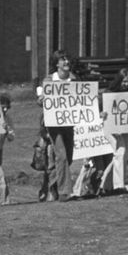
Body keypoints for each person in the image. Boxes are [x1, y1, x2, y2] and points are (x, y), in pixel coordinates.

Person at [36, 51, 76, 201]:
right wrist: (42, 99)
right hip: (53, 124)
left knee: (69, 157)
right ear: (56, 63)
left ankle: (53, 183)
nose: (66, 61)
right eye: (62, 59)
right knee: (62, 156)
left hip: (69, 123)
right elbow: (40, 101)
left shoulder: (74, 80)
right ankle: (64, 192)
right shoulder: (49, 80)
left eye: (67, 59)